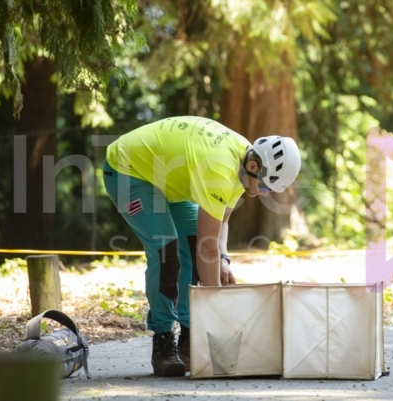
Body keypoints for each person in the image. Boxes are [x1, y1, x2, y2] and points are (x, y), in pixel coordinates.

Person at [102, 116, 301, 377]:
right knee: (167, 250)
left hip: (167, 181)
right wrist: (216, 309)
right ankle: (163, 339)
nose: (264, 193)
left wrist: (224, 260)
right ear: (254, 165)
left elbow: (222, 221)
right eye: (265, 185)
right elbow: (208, 250)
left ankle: (188, 335)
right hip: (128, 171)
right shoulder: (220, 169)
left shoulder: (243, 163)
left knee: (194, 240)